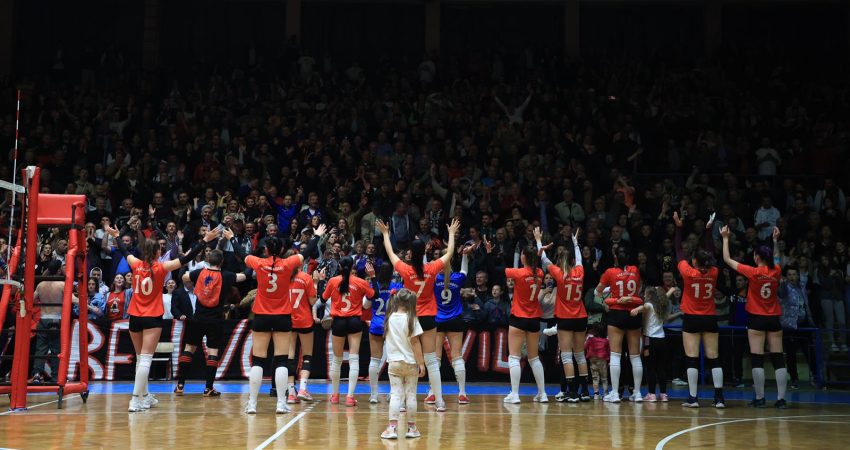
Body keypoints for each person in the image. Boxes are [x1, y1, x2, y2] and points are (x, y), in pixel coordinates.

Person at [105, 224, 219, 412]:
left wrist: (117, 236)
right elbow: (186, 258)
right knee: (145, 359)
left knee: (140, 358)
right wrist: (205, 241)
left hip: (134, 316)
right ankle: (135, 400)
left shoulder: (135, 263)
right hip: (152, 317)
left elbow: (124, 251)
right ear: (158, 252)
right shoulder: (162, 267)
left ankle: (144, 396)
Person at [236, 223, 326, 414]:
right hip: (282, 317)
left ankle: (252, 404)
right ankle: (280, 403)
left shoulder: (259, 263)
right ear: (283, 249)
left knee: (258, 360)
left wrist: (230, 238)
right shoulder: (288, 264)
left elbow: (241, 253)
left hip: (261, 316)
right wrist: (317, 236)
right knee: (282, 360)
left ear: (266, 250)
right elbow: (307, 252)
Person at [376, 217, 460, 412]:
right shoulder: (432, 268)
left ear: (411, 253)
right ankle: (439, 402)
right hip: (429, 317)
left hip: (410, 318)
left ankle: (402, 403)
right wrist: (451, 234)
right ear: (425, 252)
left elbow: (390, 253)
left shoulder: (406, 270)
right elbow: (449, 253)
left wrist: (386, 234)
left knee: (408, 358)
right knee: (431, 361)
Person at [721, 225, 787, 408]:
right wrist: (775, 240)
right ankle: (781, 399)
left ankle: (760, 397)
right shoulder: (776, 271)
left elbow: (727, 259)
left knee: (757, 358)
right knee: (778, 357)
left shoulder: (753, 272)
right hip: (773, 318)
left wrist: (725, 238)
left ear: (757, 257)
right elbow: (776, 258)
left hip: (756, 318)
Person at [175, 247, 248, 397]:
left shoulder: (199, 273)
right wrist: (248, 263)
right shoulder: (226, 275)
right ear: (222, 261)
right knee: (213, 352)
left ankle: (180, 385)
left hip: (198, 318)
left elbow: (184, 277)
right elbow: (244, 277)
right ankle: (208, 388)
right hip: (215, 320)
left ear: (208, 260)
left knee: (189, 349)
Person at [673, 212, 725, 408]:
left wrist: (679, 228)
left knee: (692, 358)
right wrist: (708, 230)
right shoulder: (714, 272)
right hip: (710, 318)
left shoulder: (688, 272)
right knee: (714, 358)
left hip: (691, 319)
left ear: (694, 261)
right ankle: (719, 398)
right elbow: (710, 251)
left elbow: (679, 250)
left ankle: (693, 398)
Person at [535, 226, 589, 403]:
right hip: (581, 317)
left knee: (566, 356)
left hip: (565, 318)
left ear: (561, 261)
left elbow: (544, 259)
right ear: (572, 261)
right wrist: (575, 243)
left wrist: (538, 241)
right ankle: (585, 392)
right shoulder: (580, 272)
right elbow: (580, 259)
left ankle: (572, 393)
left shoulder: (559, 274)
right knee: (580, 355)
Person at [322, 256, 377, 406]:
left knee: (337, 360)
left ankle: (335, 396)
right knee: (354, 359)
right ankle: (350, 397)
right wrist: (373, 277)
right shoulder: (360, 282)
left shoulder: (333, 281)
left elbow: (323, 298)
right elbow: (374, 295)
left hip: (338, 322)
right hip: (354, 321)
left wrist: (319, 281)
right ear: (352, 267)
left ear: (340, 267)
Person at [595, 246, 644, 403]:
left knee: (615, 355)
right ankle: (637, 393)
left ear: (615, 257)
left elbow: (597, 292)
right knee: (635, 356)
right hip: (633, 313)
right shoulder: (635, 270)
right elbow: (638, 290)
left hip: (616, 313)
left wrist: (610, 293)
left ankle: (615, 393)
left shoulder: (610, 272)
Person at [502, 245, 547, 404]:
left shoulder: (518, 273)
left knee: (514, 357)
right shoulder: (540, 273)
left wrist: (489, 252)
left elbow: (497, 269)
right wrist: (539, 247)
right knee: (534, 358)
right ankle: (542, 394)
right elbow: (536, 264)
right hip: (534, 319)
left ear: (523, 257)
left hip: (519, 318)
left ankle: (515, 394)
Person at [381, 289, 426, 440]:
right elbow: (415, 343)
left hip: (394, 363)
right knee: (411, 395)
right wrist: (421, 363)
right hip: (411, 363)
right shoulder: (411, 319)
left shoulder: (389, 318)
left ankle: (392, 428)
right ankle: (412, 428)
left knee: (395, 395)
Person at [433, 245, 472, 404]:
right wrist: (465, 255)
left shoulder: (434, 278)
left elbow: (424, 271)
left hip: (437, 320)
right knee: (457, 357)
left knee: (435, 359)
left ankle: (432, 393)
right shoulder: (457, 278)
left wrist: (425, 255)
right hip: (455, 320)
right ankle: (462, 393)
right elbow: (465, 271)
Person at [365, 263, 402, 404]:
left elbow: (365, 305)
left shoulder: (374, 286)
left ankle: (374, 395)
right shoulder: (397, 287)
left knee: (374, 360)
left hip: (376, 325)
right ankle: (393, 393)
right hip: (393, 325)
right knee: (394, 360)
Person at [284, 258, 319, 404]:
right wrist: (316, 283)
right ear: (301, 264)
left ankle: (291, 393)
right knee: (307, 355)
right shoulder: (305, 278)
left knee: (290, 356)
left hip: (288, 319)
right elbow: (312, 301)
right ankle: (303, 388)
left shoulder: (283, 277)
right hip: (304, 320)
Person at [31, 261, 71, 384]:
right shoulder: (62, 285)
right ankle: (56, 377)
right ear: (58, 270)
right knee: (56, 350)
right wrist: (88, 305)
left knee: (40, 349)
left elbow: (31, 299)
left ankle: (37, 374)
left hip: (43, 318)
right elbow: (72, 299)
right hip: (56, 319)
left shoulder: (41, 285)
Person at [629, 287, 670, 403]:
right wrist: (672, 289)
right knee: (661, 368)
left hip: (650, 340)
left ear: (651, 295)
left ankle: (651, 394)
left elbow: (644, 307)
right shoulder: (661, 305)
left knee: (650, 368)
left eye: (646, 294)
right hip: (662, 340)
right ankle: (663, 395)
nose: (644, 296)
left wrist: (636, 309)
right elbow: (666, 296)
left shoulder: (649, 305)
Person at [585, 323, 610, 399]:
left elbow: (585, 347)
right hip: (603, 360)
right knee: (604, 378)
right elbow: (608, 351)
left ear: (594, 331)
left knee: (595, 377)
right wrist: (609, 360)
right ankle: (606, 394)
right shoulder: (606, 341)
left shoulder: (590, 340)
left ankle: (596, 394)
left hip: (592, 360)